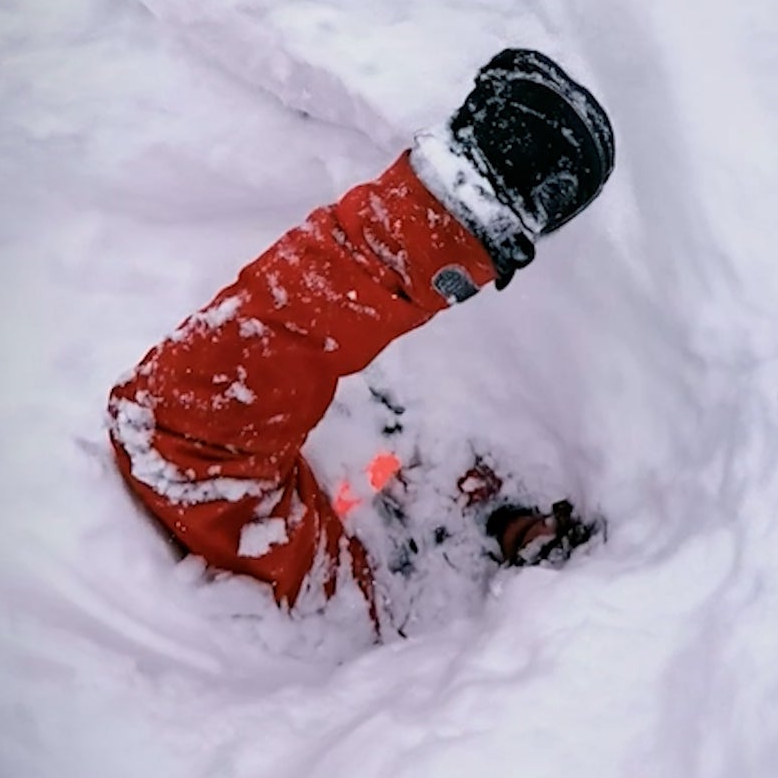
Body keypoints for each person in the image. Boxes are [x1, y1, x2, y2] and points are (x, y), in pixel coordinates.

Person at [108, 48, 615, 630]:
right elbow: (186, 436)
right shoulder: (352, 563)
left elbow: (183, 435)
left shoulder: (353, 578)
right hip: (347, 559)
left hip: (347, 559)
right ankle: (448, 221)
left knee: (192, 435)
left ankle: (446, 221)